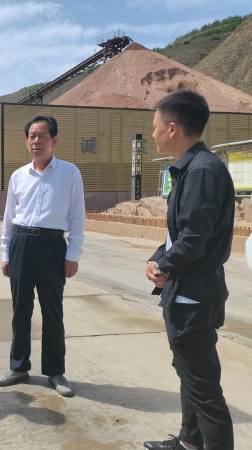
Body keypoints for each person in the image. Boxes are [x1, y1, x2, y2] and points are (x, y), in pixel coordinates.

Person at [144, 89, 235, 450]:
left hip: (192, 295)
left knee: (203, 387)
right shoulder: (193, 169)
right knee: (190, 375)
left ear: (172, 128)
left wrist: (162, 265)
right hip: (187, 291)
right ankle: (189, 443)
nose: (152, 134)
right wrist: (157, 258)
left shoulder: (201, 172)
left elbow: (193, 241)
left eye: (155, 127)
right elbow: (179, 234)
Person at [0, 115, 86, 397]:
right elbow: (9, 218)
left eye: (42, 136)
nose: (36, 141)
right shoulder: (18, 176)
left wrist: (73, 254)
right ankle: (19, 367)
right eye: (32, 136)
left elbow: (77, 217)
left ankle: (55, 371)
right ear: (26, 142)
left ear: (54, 140)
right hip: (21, 244)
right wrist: (6, 252)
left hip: (52, 246)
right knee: (20, 311)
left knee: (52, 312)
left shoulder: (69, 173)